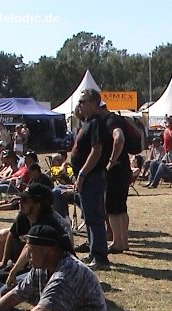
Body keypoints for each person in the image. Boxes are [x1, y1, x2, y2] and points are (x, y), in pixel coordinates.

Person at [72, 89, 110, 271]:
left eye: (83, 101)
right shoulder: (86, 122)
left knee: (94, 217)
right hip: (86, 177)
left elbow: (96, 151)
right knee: (88, 216)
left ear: (94, 103)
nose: (80, 105)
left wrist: (82, 173)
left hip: (92, 176)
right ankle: (93, 251)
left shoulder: (96, 123)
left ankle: (101, 257)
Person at [99, 102, 133, 254]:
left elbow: (119, 138)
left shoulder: (110, 121)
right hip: (124, 168)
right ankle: (124, 241)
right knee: (121, 208)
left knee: (112, 209)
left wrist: (111, 162)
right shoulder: (117, 118)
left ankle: (117, 243)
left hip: (115, 170)